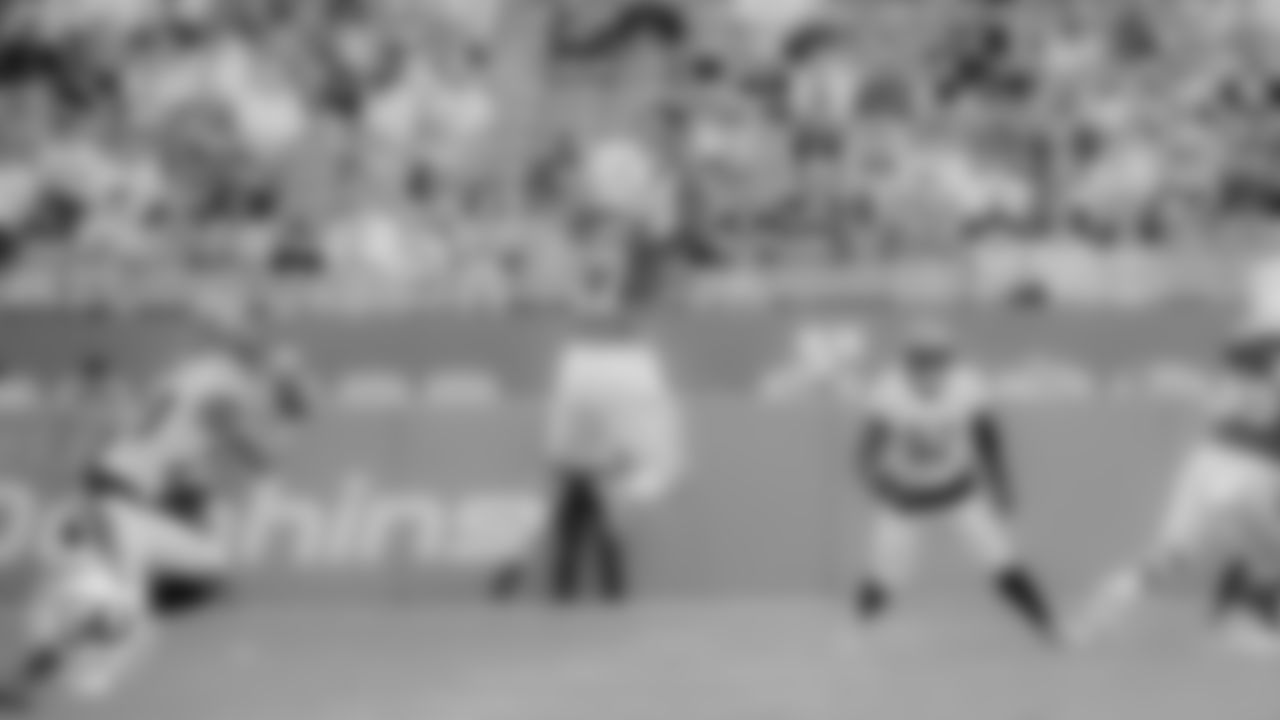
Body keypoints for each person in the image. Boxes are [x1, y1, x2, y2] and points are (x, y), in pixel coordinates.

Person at [0, 298, 311, 708]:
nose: (266, 353)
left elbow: (183, 444)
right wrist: (292, 410)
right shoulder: (224, 385)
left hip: (123, 487)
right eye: (260, 344)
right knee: (141, 594)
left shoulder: (195, 373)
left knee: (136, 593)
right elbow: (256, 452)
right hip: (125, 495)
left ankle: (37, 669)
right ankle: (49, 664)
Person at [1072, 332, 1280, 655]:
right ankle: (1243, 620)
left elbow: (1231, 361)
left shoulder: (1243, 373)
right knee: (1268, 557)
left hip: (1206, 462)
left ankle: (1099, 614)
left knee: (1169, 555)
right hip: (1253, 470)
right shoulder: (1261, 372)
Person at [851, 322, 1059, 643]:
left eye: (934, 362)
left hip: (957, 490)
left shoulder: (966, 386)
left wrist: (1001, 484)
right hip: (906, 496)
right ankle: (856, 632)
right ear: (907, 364)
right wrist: (876, 483)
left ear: (947, 363)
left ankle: (1048, 627)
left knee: (1001, 560)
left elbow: (988, 437)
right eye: (920, 362)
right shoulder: (889, 391)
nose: (927, 371)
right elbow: (867, 448)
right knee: (885, 576)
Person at [495, 296, 684, 603]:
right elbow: (565, 450)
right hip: (581, 478)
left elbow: (612, 449)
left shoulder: (592, 403)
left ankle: (608, 596)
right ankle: (570, 595)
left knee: (605, 539)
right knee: (577, 540)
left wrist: (612, 465)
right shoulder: (575, 405)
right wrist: (581, 465)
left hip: (596, 479)